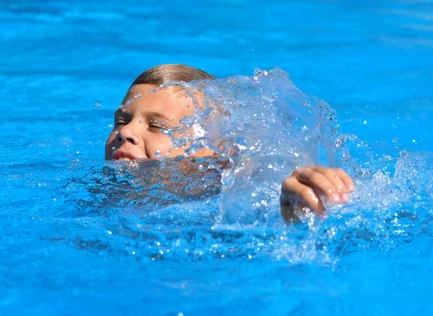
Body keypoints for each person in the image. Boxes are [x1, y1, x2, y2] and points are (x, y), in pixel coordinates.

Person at [104, 64, 355, 220]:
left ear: (215, 153)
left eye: (158, 126)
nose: (126, 132)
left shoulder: (230, 208)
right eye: (120, 120)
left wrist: (296, 209)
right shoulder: (98, 197)